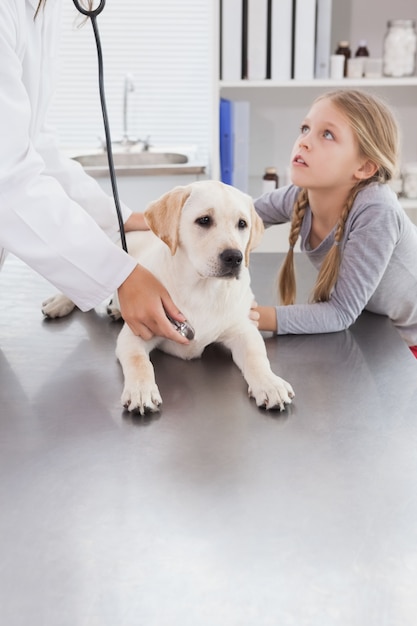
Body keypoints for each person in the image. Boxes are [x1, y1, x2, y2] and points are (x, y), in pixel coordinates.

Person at [0, 0, 189, 345]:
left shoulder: (42, 9)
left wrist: (118, 217)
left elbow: (34, 144)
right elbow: (7, 178)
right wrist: (119, 275)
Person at [252, 89, 417, 357]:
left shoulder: (377, 212)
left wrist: (248, 318)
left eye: (327, 134)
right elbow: (240, 216)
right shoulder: (299, 197)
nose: (303, 142)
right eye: (305, 128)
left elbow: (340, 312)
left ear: (364, 168)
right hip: (379, 327)